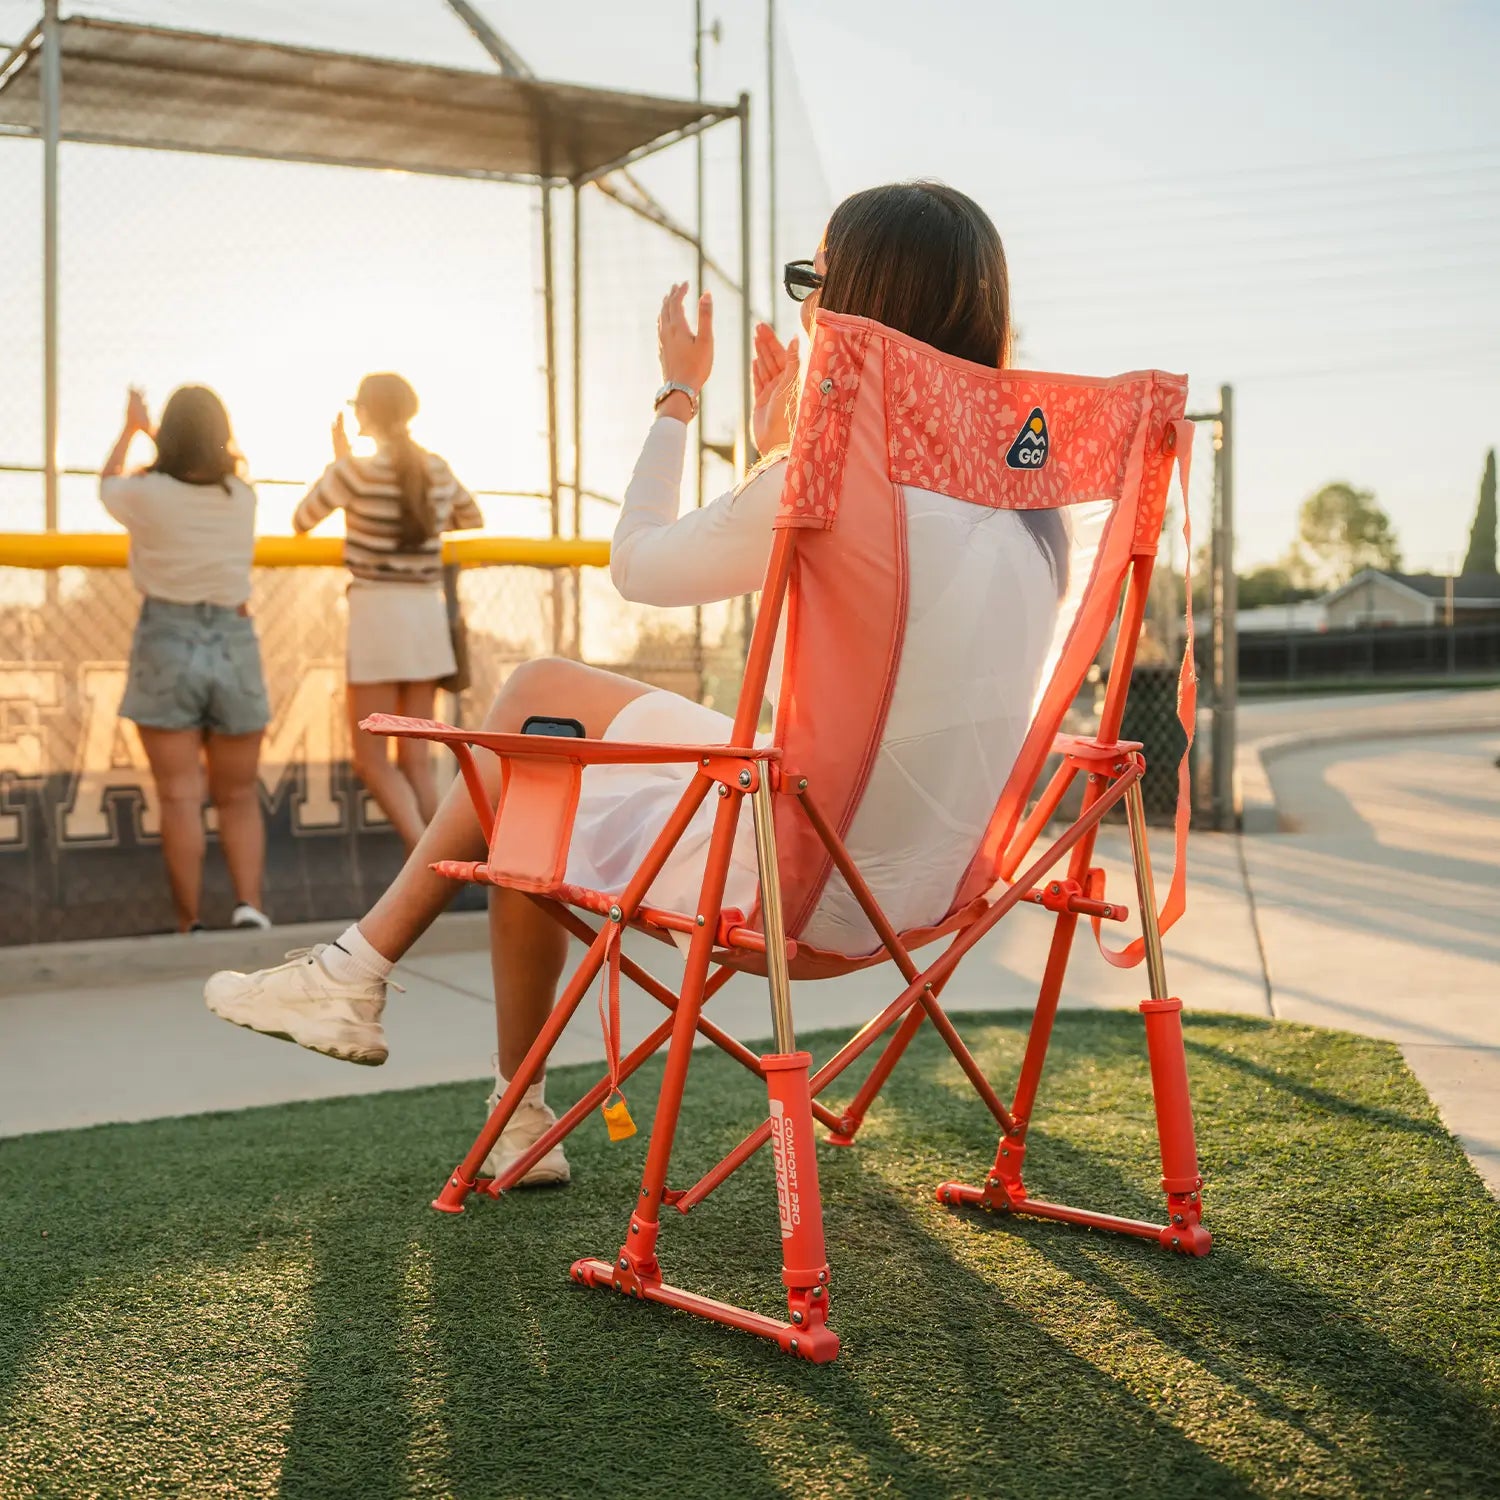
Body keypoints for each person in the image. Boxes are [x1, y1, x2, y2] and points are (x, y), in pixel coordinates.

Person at [206, 181, 1068, 1187]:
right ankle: (440, 1050)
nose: (803, 309)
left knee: (536, 713)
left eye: (813, 284)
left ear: (854, 306)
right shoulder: (1032, 492)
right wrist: (785, 450)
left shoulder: (828, 479)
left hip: (795, 884)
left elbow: (640, 565)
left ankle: (385, 1001)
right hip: (929, 887)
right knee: (547, 739)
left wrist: (681, 398)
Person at [102, 385, 271, 933]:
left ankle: (189, 921)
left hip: (166, 637)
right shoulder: (241, 497)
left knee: (179, 797)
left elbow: (107, 484)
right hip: (234, 637)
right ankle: (249, 907)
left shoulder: (147, 494)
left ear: (166, 435)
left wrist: (133, 429)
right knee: (239, 794)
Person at [292, 373, 483, 850]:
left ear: (366, 414)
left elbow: (302, 520)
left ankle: (425, 865)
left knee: (372, 759)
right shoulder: (435, 468)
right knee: (415, 762)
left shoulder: (351, 472)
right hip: (424, 618)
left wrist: (340, 465)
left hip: (378, 616)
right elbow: (472, 518)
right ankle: (447, 858)